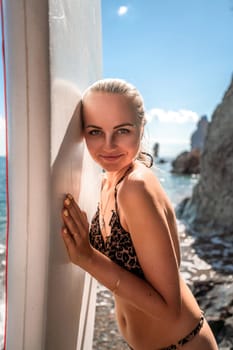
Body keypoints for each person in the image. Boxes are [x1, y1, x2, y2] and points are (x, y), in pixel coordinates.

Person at [61, 78, 218, 350]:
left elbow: (171, 310)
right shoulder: (107, 181)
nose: (108, 145)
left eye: (121, 130)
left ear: (141, 128)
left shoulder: (135, 187)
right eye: (95, 131)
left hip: (183, 344)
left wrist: (88, 257)